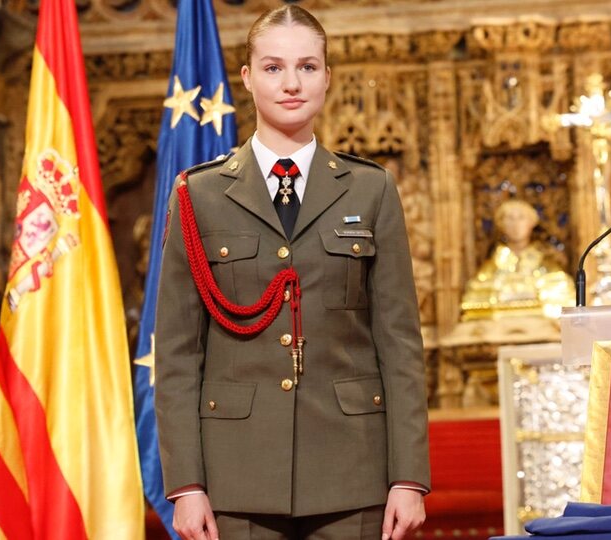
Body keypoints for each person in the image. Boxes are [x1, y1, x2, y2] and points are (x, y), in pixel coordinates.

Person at [154, 5, 430, 540]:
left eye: (307, 67)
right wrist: (186, 486)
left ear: (327, 77)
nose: (291, 83)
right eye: (274, 67)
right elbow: (178, 353)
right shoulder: (198, 194)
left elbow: (399, 343)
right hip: (237, 476)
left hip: (354, 473)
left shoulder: (371, 189)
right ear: (248, 78)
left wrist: (409, 477)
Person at [460, 199, 574, 319]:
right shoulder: (492, 266)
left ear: (531, 223)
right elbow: (473, 299)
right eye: (509, 218)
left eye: (521, 218)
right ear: (501, 224)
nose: (516, 224)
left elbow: (564, 297)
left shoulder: (546, 263)